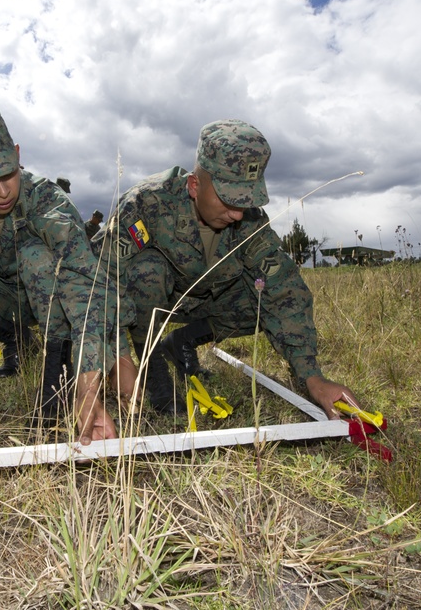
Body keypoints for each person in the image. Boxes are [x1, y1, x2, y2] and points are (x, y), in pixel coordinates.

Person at [92, 119, 364, 419]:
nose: (237, 214)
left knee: (261, 296)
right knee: (148, 272)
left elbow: (284, 290)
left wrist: (314, 379)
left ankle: (183, 340)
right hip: (155, 302)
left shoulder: (250, 222)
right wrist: (118, 359)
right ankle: (154, 372)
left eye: (245, 201)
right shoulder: (147, 203)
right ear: (194, 186)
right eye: (228, 200)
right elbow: (102, 281)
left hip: (205, 302)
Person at [0, 105, 126, 443]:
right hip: (12, 301)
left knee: (36, 256)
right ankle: (17, 339)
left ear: (17, 155)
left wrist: (88, 386)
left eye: (7, 173)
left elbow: (85, 285)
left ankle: (58, 366)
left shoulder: (45, 200)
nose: (1, 192)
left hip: (57, 302)